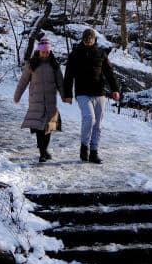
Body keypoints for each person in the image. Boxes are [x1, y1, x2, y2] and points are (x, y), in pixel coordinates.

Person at [63, 28, 120, 164]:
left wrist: (115, 89)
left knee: (98, 124)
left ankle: (94, 152)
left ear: (94, 40)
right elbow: (69, 76)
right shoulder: (75, 54)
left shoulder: (101, 53)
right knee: (89, 118)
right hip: (82, 93)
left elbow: (109, 73)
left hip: (99, 93)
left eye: (90, 40)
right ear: (82, 40)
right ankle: (84, 146)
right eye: (85, 40)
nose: (88, 43)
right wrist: (68, 94)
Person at [14, 37, 64, 162]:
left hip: (50, 102)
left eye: (47, 51)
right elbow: (23, 81)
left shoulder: (54, 65)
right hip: (36, 101)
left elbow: (60, 83)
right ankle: (42, 152)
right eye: (43, 51)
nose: (45, 54)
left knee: (48, 128)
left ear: (50, 51)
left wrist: (65, 96)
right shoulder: (32, 64)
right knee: (39, 128)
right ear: (39, 51)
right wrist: (17, 96)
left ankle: (44, 149)